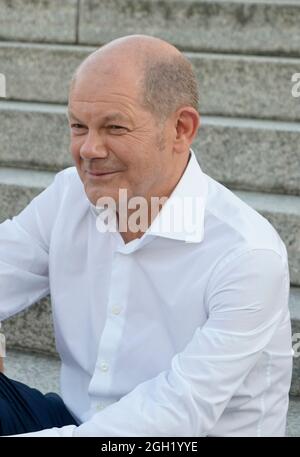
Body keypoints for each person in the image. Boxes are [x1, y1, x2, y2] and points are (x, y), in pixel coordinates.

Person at [0, 34, 293, 437]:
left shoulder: (247, 254)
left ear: (180, 128)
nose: (88, 149)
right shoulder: (69, 194)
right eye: (78, 126)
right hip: (80, 422)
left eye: (114, 127)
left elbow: (173, 416)